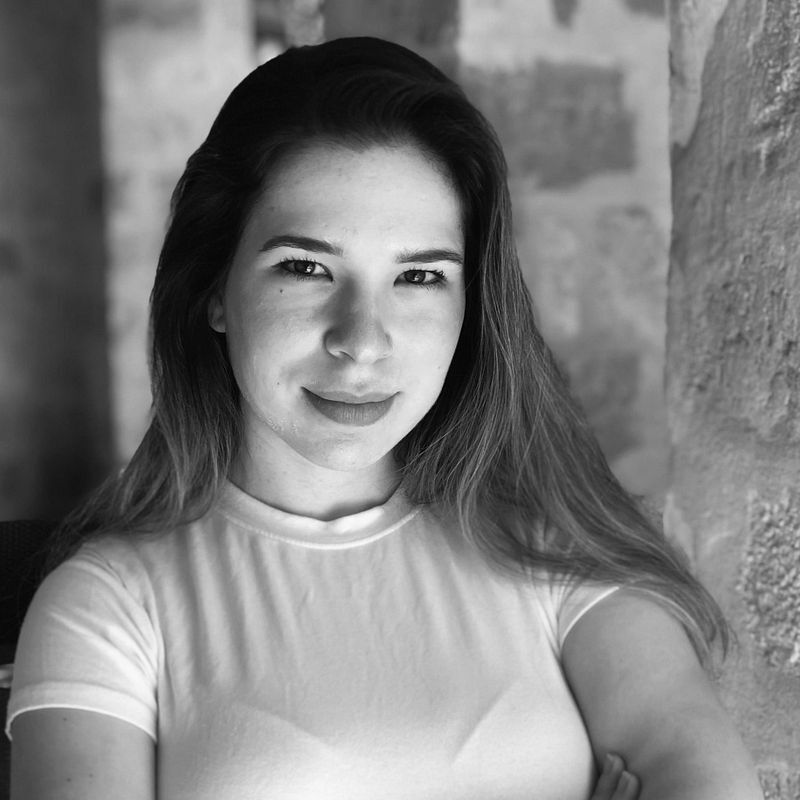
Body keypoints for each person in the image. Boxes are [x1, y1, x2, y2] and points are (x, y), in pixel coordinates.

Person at [6, 37, 762, 800]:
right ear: (213, 290)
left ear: (470, 306)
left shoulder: (558, 547)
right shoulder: (107, 606)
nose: (362, 341)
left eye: (420, 276)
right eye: (306, 267)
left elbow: (696, 772)